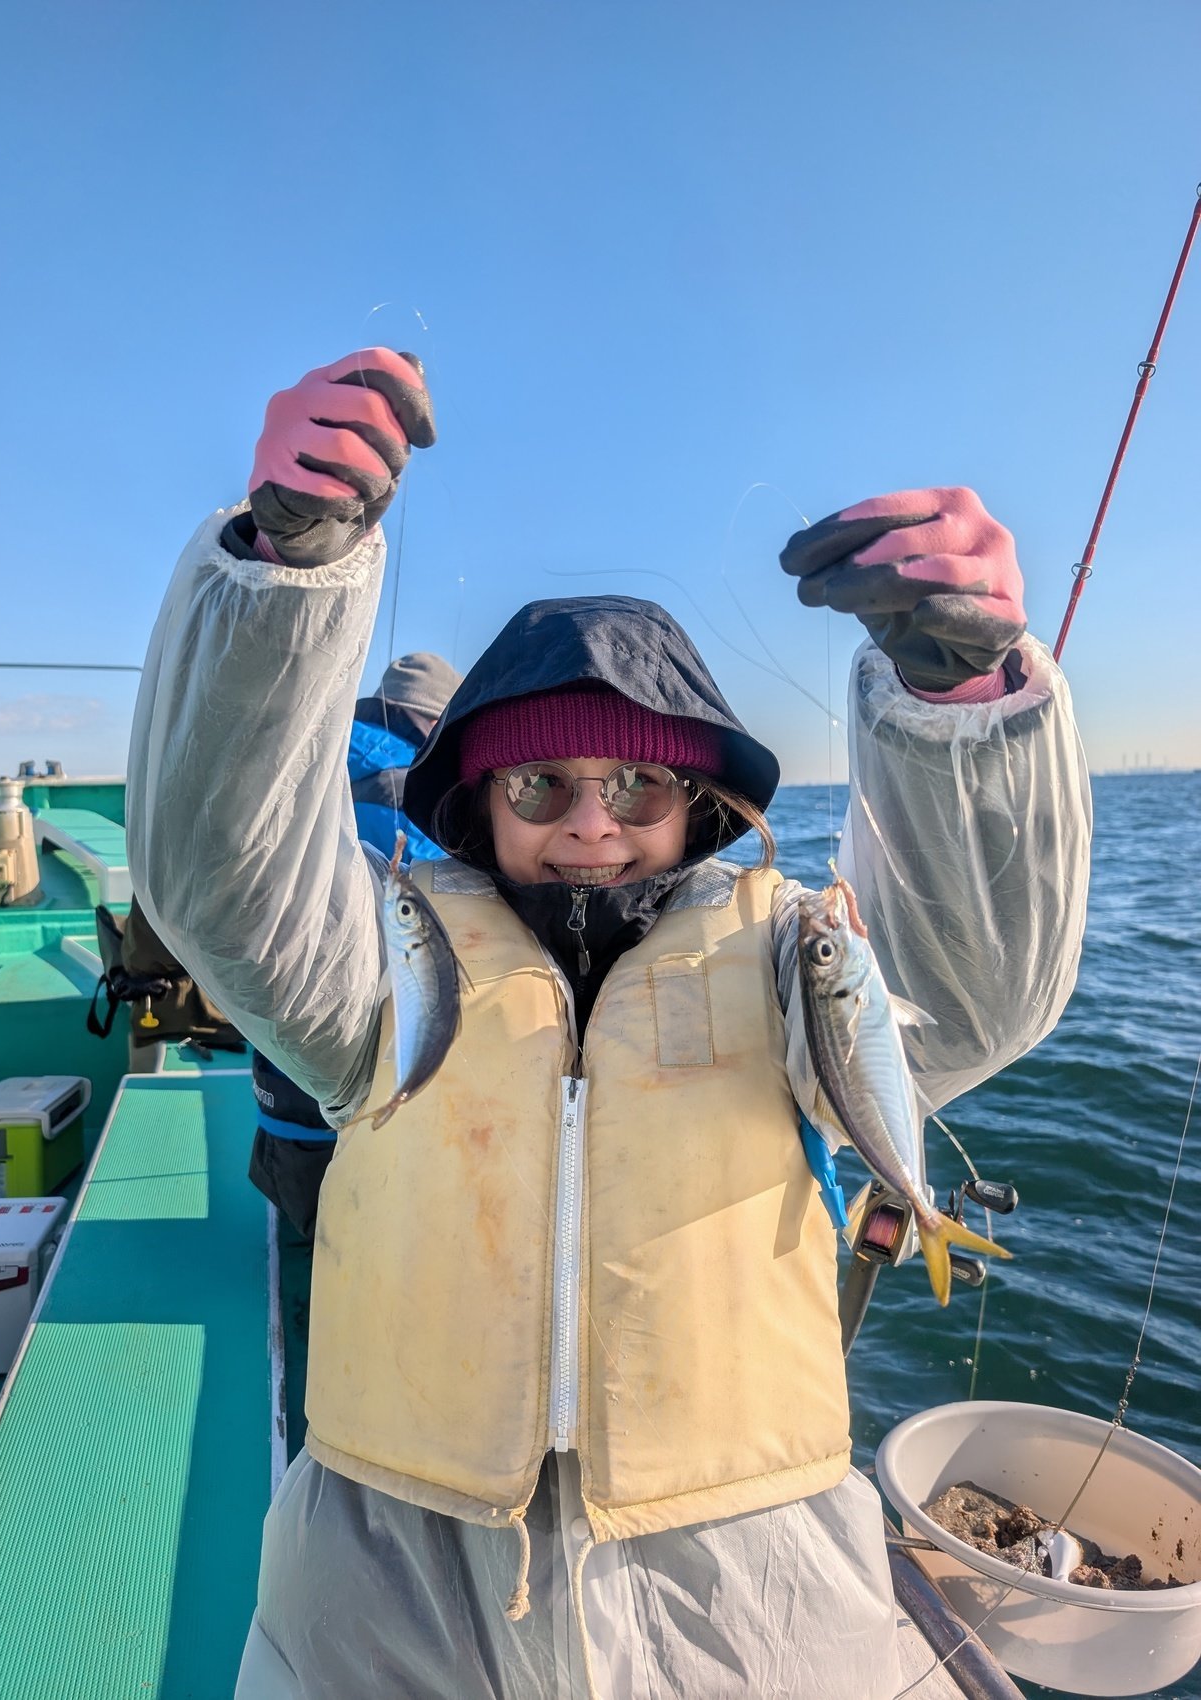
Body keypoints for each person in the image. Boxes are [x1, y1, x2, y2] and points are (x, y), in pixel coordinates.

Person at [128, 349, 1091, 1700]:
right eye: (539, 786)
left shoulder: (789, 956)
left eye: (639, 783)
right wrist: (279, 583)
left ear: (698, 802)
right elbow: (219, 884)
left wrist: (961, 708)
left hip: (753, 1603)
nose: (592, 823)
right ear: (477, 801)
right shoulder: (386, 970)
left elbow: (976, 992)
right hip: (384, 1593)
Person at [249, 649, 461, 1239]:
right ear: (433, 719)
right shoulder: (425, 791)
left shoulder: (310, 764)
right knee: (366, 1227)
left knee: (308, 1207)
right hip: (367, 1051)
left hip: (283, 1052)